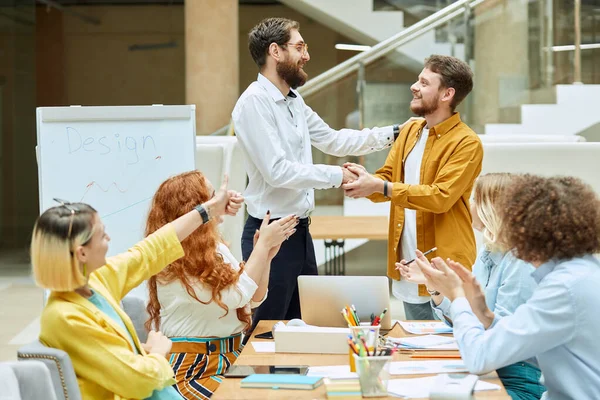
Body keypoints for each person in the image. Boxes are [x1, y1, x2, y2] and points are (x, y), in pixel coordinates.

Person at [232, 17, 411, 328]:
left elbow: (334, 139)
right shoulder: (253, 104)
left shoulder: (294, 101)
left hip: (300, 233)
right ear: (275, 51)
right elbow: (277, 171)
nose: (307, 55)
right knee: (266, 333)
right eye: (299, 47)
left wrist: (396, 133)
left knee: (304, 327)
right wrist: (337, 176)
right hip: (270, 236)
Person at [33, 175, 243, 399]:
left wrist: (208, 210)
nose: (109, 238)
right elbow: (137, 381)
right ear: (82, 253)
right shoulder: (66, 317)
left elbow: (152, 249)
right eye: (102, 235)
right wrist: (158, 353)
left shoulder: (96, 282)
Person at [415, 175, 600, 400]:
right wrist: (483, 314)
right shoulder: (580, 273)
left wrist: (457, 296)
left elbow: (478, 358)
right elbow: (525, 341)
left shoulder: (562, 288)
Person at [342, 54, 483, 320]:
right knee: (418, 354)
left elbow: (440, 197)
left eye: (424, 82)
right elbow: (387, 177)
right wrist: (361, 180)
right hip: (408, 266)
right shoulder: (410, 131)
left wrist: (381, 186)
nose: (414, 87)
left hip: (447, 268)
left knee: (452, 351)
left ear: (447, 94)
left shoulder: (467, 142)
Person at [144, 171, 297, 399]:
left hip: (228, 360)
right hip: (193, 369)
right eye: (213, 197)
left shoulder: (213, 249)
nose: (221, 201)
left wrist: (266, 256)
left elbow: (254, 298)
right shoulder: (175, 258)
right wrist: (262, 248)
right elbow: (239, 294)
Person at [399, 173, 545, 400]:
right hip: (492, 369)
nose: (469, 204)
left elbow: (501, 337)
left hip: (517, 379)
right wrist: (435, 286)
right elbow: (468, 318)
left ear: (492, 207)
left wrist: (456, 295)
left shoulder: (521, 260)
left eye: (475, 199)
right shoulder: (490, 251)